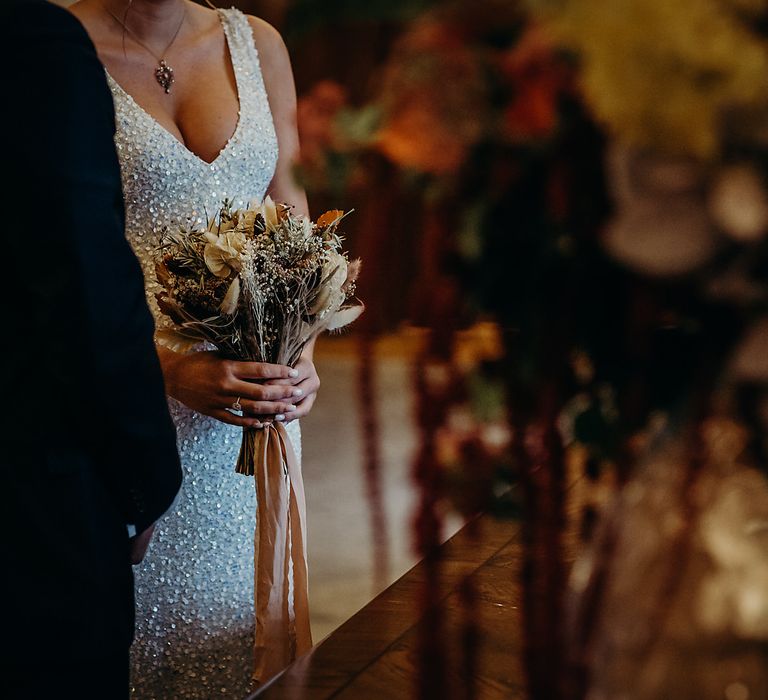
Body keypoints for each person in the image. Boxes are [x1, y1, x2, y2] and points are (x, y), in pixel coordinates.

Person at [68, 0, 321, 696]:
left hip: (249, 415)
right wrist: (166, 372)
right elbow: (35, 267)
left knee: (243, 644)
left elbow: (287, 201)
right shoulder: (54, 47)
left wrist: (302, 347)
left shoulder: (257, 44)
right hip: (119, 400)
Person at [1, 1, 183, 698]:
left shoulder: (256, 42)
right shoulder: (33, 36)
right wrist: (141, 478)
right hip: (40, 488)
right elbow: (79, 277)